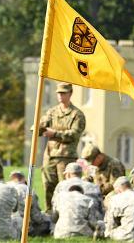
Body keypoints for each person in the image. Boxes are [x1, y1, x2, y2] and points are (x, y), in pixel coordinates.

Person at [39, 82, 86, 213]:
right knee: (48, 185)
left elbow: (74, 134)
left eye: (63, 93)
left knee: (66, 187)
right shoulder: (52, 112)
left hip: (66, 157)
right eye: (59, 93)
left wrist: (54, 133)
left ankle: (67, 214)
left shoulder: (77, 115)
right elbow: (40, 127)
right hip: (50, 156)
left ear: (70, 94)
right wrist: (37, 128)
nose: (60, 96)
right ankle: (50, 213)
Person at [7, 170, 50, 236]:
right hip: (25, 228)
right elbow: (36, 217)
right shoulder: (28, 190)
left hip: (9, 226)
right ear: (24, 179)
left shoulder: (6, 188)